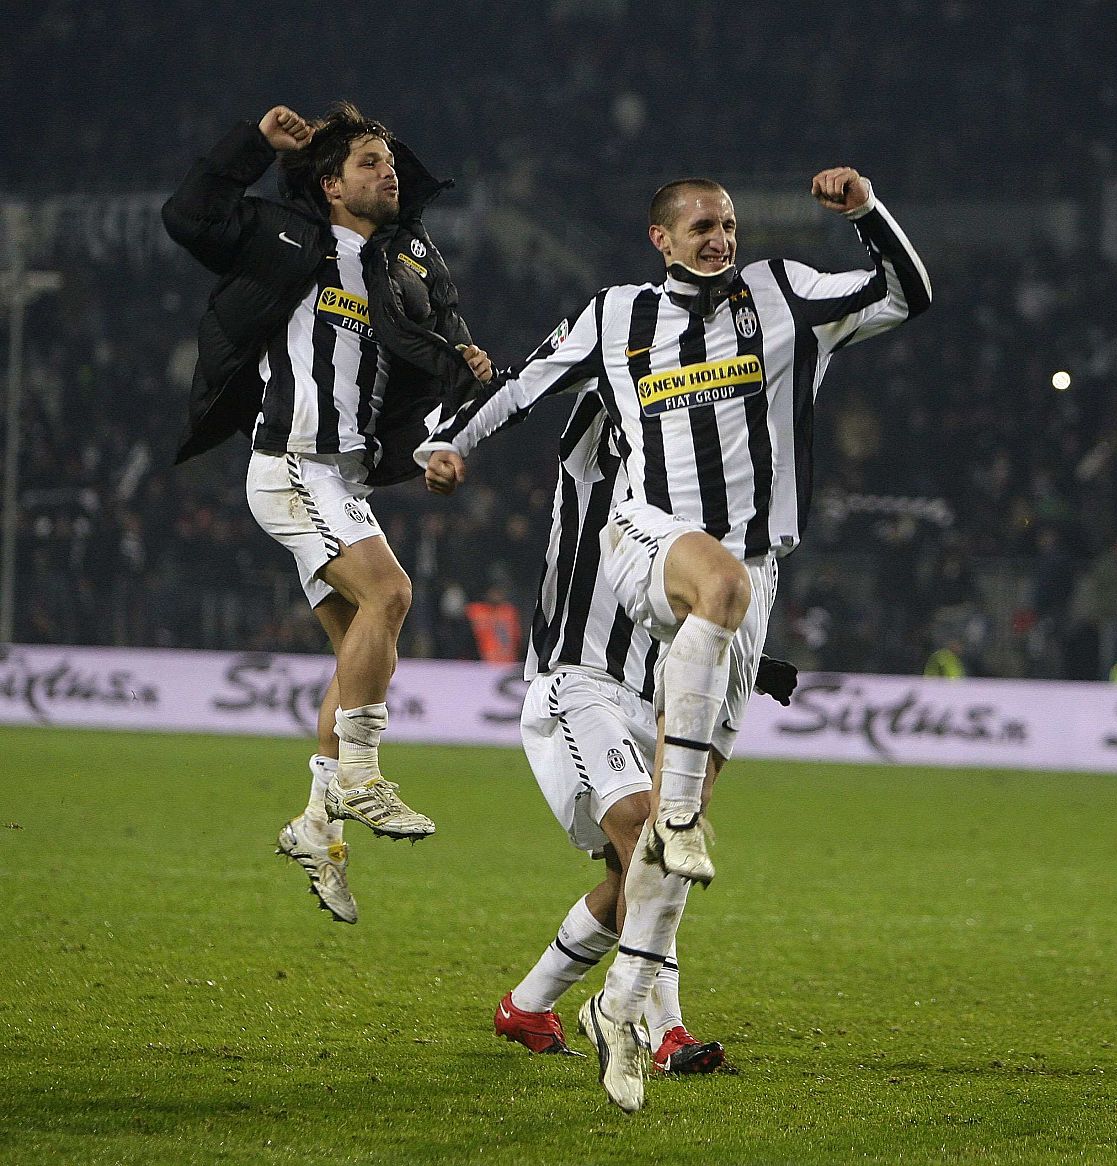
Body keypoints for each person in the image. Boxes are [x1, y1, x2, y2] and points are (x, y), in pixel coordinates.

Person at [420, 167, 931, 1109]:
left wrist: (865, 215)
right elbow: (530, 382)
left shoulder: (779, 298)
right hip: (605, 627)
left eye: (729, 223)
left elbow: (906, 294)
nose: (719, 236)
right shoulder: (614, 347)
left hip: (717, 612)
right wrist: (444, 440)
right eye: (701, 224)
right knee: (659, 821)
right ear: (660, 237)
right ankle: (664, 1024)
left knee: (647, 853)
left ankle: (566, 1001)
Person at [163, 103, 494, 924]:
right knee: (392, 595)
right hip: (290, 463)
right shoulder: (287, 242)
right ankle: (361, 777)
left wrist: (440, 428)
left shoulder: (395, 268)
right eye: (372, 162)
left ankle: (318, 825)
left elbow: (410, 381)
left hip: (344, 477)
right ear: (330, 181)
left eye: (390, 161)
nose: (390, 172)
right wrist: (253, 145)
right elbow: (188, 216)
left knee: (357, 650)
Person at [489, 387, 796, 1074]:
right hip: (575, 681)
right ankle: (665, 1032)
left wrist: (757, 659)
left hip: (642, 695)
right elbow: (607, 383)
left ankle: (529, 1005)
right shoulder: (592, 467)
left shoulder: (683, 517)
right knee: (645, 831)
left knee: (630, 871)